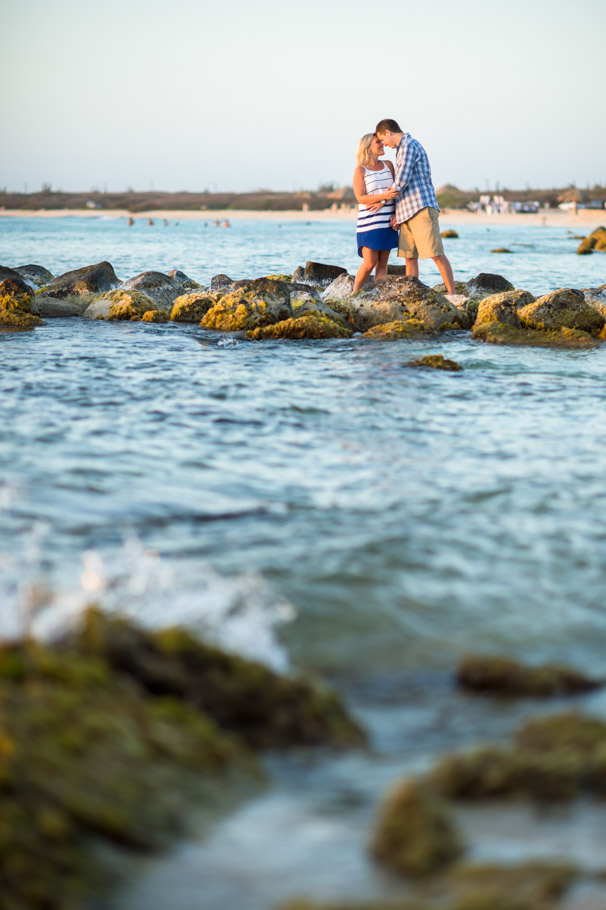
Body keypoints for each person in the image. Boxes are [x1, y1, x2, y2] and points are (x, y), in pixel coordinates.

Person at [375, 118, 455, 295]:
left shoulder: (409, 145)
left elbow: (401, 181)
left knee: (436, 254)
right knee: (409, 258)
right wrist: (398, 214)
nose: (384, 145)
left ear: (388, 132)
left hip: (421, 209)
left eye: (383, 139)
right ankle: (413, 295)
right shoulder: (401, 150)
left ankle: (452, 294)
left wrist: (381, 201)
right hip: (407, 211)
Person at [352, 133, 399, 293]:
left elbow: (396, 192)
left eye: (381, 141)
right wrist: (383, 197)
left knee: (383, 264)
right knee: (369, 263)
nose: (382, 144)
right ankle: (353, 295)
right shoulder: (360, 170)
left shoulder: (389, 165)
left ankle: (378, 296)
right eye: (378, 142)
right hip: (369, 223)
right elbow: (361, 197)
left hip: (388, 222)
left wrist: (396, 213)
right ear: (368, 148)